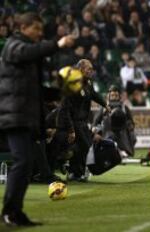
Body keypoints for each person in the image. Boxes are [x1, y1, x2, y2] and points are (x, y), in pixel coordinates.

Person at [0, 12, 74, 226]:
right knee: (22, 162)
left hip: (23, 116)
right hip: (14, 115)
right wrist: (58, 44)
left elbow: (36, 91)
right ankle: (9, 213)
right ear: (23, 27)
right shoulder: (13, 46)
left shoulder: (27, 56)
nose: (40, 34)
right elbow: (30, 51)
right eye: (36, 29)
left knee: (26, 163)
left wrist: (59, 93)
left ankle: (15, 212)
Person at [57, 59, 109, 182]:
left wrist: (104, 104)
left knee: (83, 147)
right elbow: (65, 109)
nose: (91, 71)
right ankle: (73, 169)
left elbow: (94, 94)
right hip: (73, 121)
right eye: (88, 69)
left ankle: (76, 172)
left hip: (82, 121)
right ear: (80, 69)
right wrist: (71, 129)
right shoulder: (72, 83)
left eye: (92, 69)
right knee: (85, 146)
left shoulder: (88, 82)